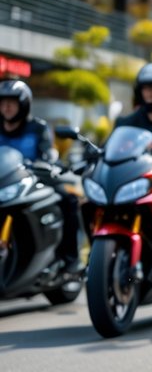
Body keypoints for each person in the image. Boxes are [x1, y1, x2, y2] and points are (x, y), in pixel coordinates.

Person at [0, 80, 80, 270]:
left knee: (68, 199)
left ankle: (71, 258)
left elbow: (48, 154)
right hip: (3, 183)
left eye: (12, 102)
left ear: (24, 104)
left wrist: (46, 163)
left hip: (34, 180)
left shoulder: (38, 128)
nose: (7, 107)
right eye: (3, 102)